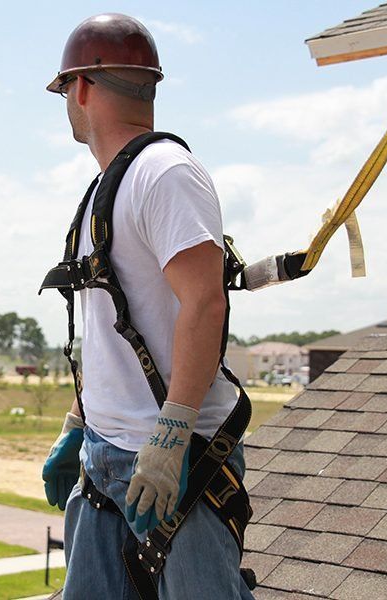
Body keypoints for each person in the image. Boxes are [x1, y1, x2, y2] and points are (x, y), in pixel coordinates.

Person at [41, 13, 256, 600]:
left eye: (64, 92)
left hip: (175, 466)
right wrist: (79, 421)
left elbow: (205, 304)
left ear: (81, 86)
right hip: (106, 459)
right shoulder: (106, 189)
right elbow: (111, 330)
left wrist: (171, 434)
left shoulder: (165, 174)